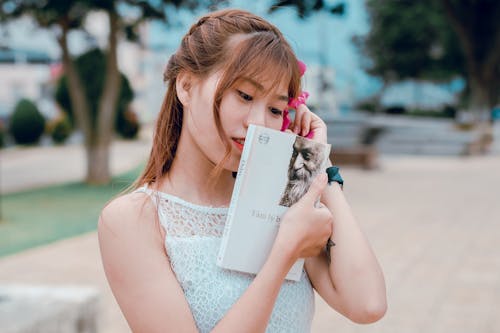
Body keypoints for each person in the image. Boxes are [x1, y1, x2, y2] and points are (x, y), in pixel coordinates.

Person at [98, 8, 387, 333]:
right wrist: (284, 252)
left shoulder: (283, 203)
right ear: (187, 86)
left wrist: (318, 163)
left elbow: (368, 304)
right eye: (245, 95)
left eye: (276, 109)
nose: (258, 124)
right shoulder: (132, 221)